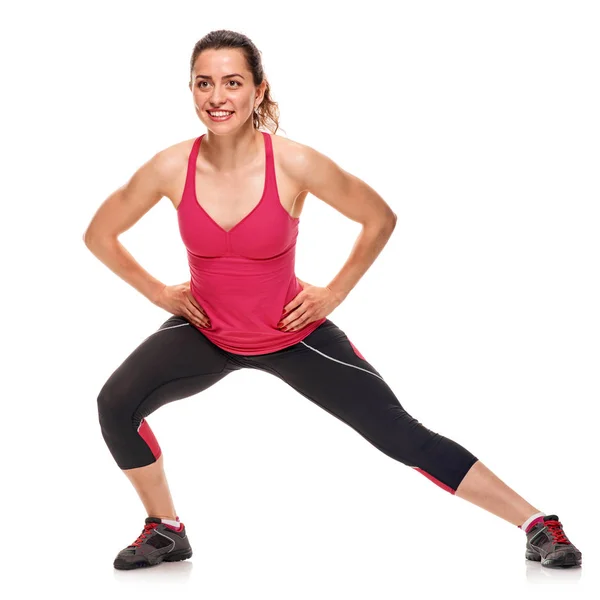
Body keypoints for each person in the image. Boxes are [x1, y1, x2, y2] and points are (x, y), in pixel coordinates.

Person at [83, 29, 582, 571]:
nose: (217, 96)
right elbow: (100, 235)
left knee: (399, 435)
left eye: (232, 82)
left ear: (258, 90)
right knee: (116, 405)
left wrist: (333, 293)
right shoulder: (169, 166)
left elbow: (378, 218)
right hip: (207, 330)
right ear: (191, 89)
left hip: (292, 333)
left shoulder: (296, 163)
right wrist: (160, 292)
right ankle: (166, 528)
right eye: (204, 83)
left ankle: (538, 524)